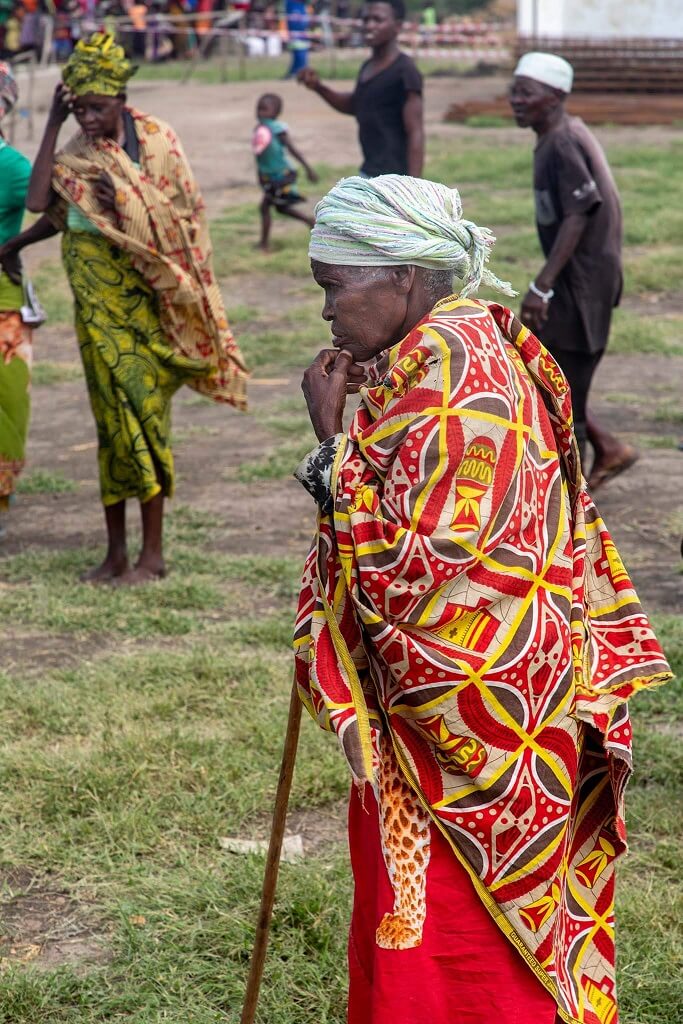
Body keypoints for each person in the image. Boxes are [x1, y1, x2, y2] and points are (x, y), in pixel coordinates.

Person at [294, 174, 671, 1024]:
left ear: (401, 277)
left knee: (452, 944)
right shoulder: (459, 345)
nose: (325, 311)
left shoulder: (453, 379)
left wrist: (329, 447)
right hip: (516, 704)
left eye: (333, 285)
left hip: (468, 727)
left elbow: (416, 573)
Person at [2, 32, 247, 583]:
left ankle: (152, 554)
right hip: (93, 313)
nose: (88, 118)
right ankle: (115, 552)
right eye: (79, 108)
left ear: (121, 99)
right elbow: (44, 205)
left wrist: (131, 206)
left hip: (145, 308)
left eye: (97, 108)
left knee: (145, 417)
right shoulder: (79, 153)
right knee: (109, 423)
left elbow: (186, 223)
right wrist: (16, 241)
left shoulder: (157, 142)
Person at [509, 51, 638, 490]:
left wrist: (541, 286)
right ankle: (609, 449)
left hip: (582, 286)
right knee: (549, 374)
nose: (515, 100)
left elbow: (579, 213)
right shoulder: (558, 134)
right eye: (514, 90)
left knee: (564, 393)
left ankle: (569, 506)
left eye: (527, 92)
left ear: (556, 95)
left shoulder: (563, 140)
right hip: (578, 282)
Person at [298, 0, 423, 178]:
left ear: (397, 26)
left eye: (378, 20)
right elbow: (355, 105)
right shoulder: (367, 67)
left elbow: (415, 132)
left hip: (395, 179)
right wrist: (319, 87)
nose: (369, 25)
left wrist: (413, 187)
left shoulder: (405, 71)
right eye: (365, 19)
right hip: (369, 171)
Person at [0, 61, 31, 541]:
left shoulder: (13, 167)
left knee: (7, 410)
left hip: (4, 303)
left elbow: (57, 202)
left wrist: (11, 248)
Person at [252, 92, 318, 251]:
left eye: (265, 109)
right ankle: (309, 221)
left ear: (275, 113)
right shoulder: (260, 129)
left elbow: (292, 149)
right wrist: (261, 175)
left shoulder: (277, 129)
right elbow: (261, 157)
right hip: (270, 176)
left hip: (282, 176)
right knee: (280, 208)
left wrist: (308, 168)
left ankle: (264, 244)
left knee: (266, 207)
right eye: (258, 109)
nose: (260, 113)